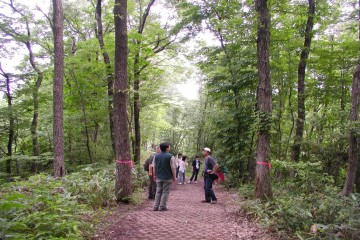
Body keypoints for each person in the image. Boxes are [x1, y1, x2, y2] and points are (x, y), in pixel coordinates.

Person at [153, 142, 177, 211]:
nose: (169, 148)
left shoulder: (156, 156)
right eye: (169, 146)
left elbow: (154, 166)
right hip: (167, 177)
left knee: (158, 191)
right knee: (165, 191)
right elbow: (173, 168)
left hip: (159, 176)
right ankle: (162, 206)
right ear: (167, 148)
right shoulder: (171, 156)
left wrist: (155, 175)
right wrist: (174, 176)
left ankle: (155, 206)